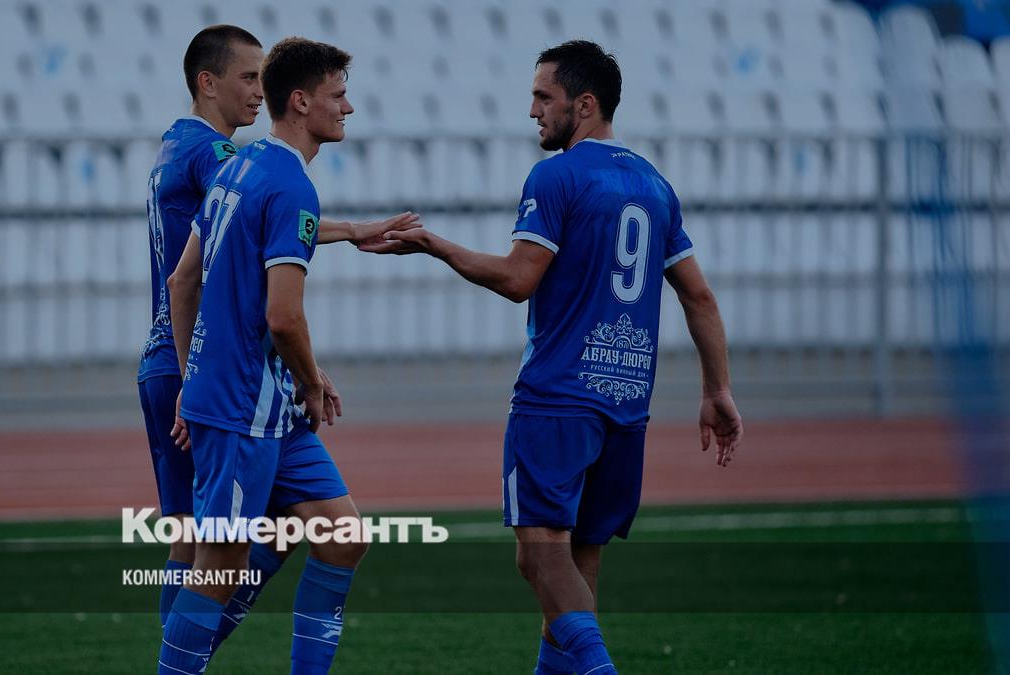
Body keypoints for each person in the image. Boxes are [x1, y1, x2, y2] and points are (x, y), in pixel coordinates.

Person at [379, 40, 743, 674]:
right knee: (579, 561)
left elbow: (519, 278)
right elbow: (700, 296)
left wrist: (435, 245)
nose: (533, 111)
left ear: (585, 103)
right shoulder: (655, 185)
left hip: (558, 396)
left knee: (540, 557)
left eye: (543, 97)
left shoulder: (557, 176)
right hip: (626, 402)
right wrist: (717, 390)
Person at [137, 25, 416, 636]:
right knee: (217, 551)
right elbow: (270, 226)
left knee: (232, 534)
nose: (257, 91)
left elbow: (211, 256)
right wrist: (300, 369)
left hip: (182, 356)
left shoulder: (177, 144)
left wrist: (348, 231)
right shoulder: (220, 158)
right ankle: (184, 659)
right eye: (247, 78)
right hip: (208, 366)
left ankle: (188, 653)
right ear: (207, 83)